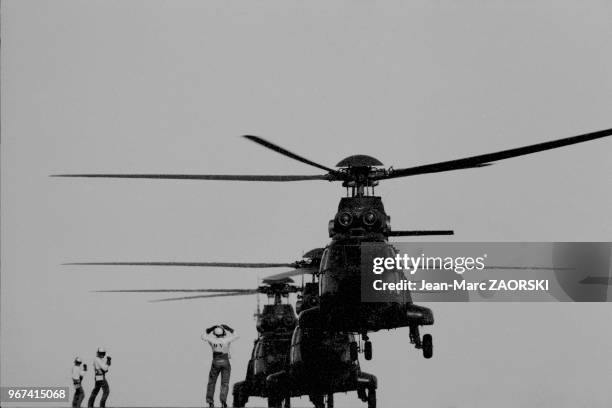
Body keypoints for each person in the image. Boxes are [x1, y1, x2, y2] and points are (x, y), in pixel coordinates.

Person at [202, 324, 239, 408]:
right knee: (225, 383)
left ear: (215, 333)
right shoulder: (227, 340)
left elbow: (203, 336)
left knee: (212, 382)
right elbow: (237, 335)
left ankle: (210, 401)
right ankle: (223, 401)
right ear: (223, 333)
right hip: (225, 362)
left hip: (215, 362)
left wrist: (211, 328)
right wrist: (229, 328)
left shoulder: (212, 340)